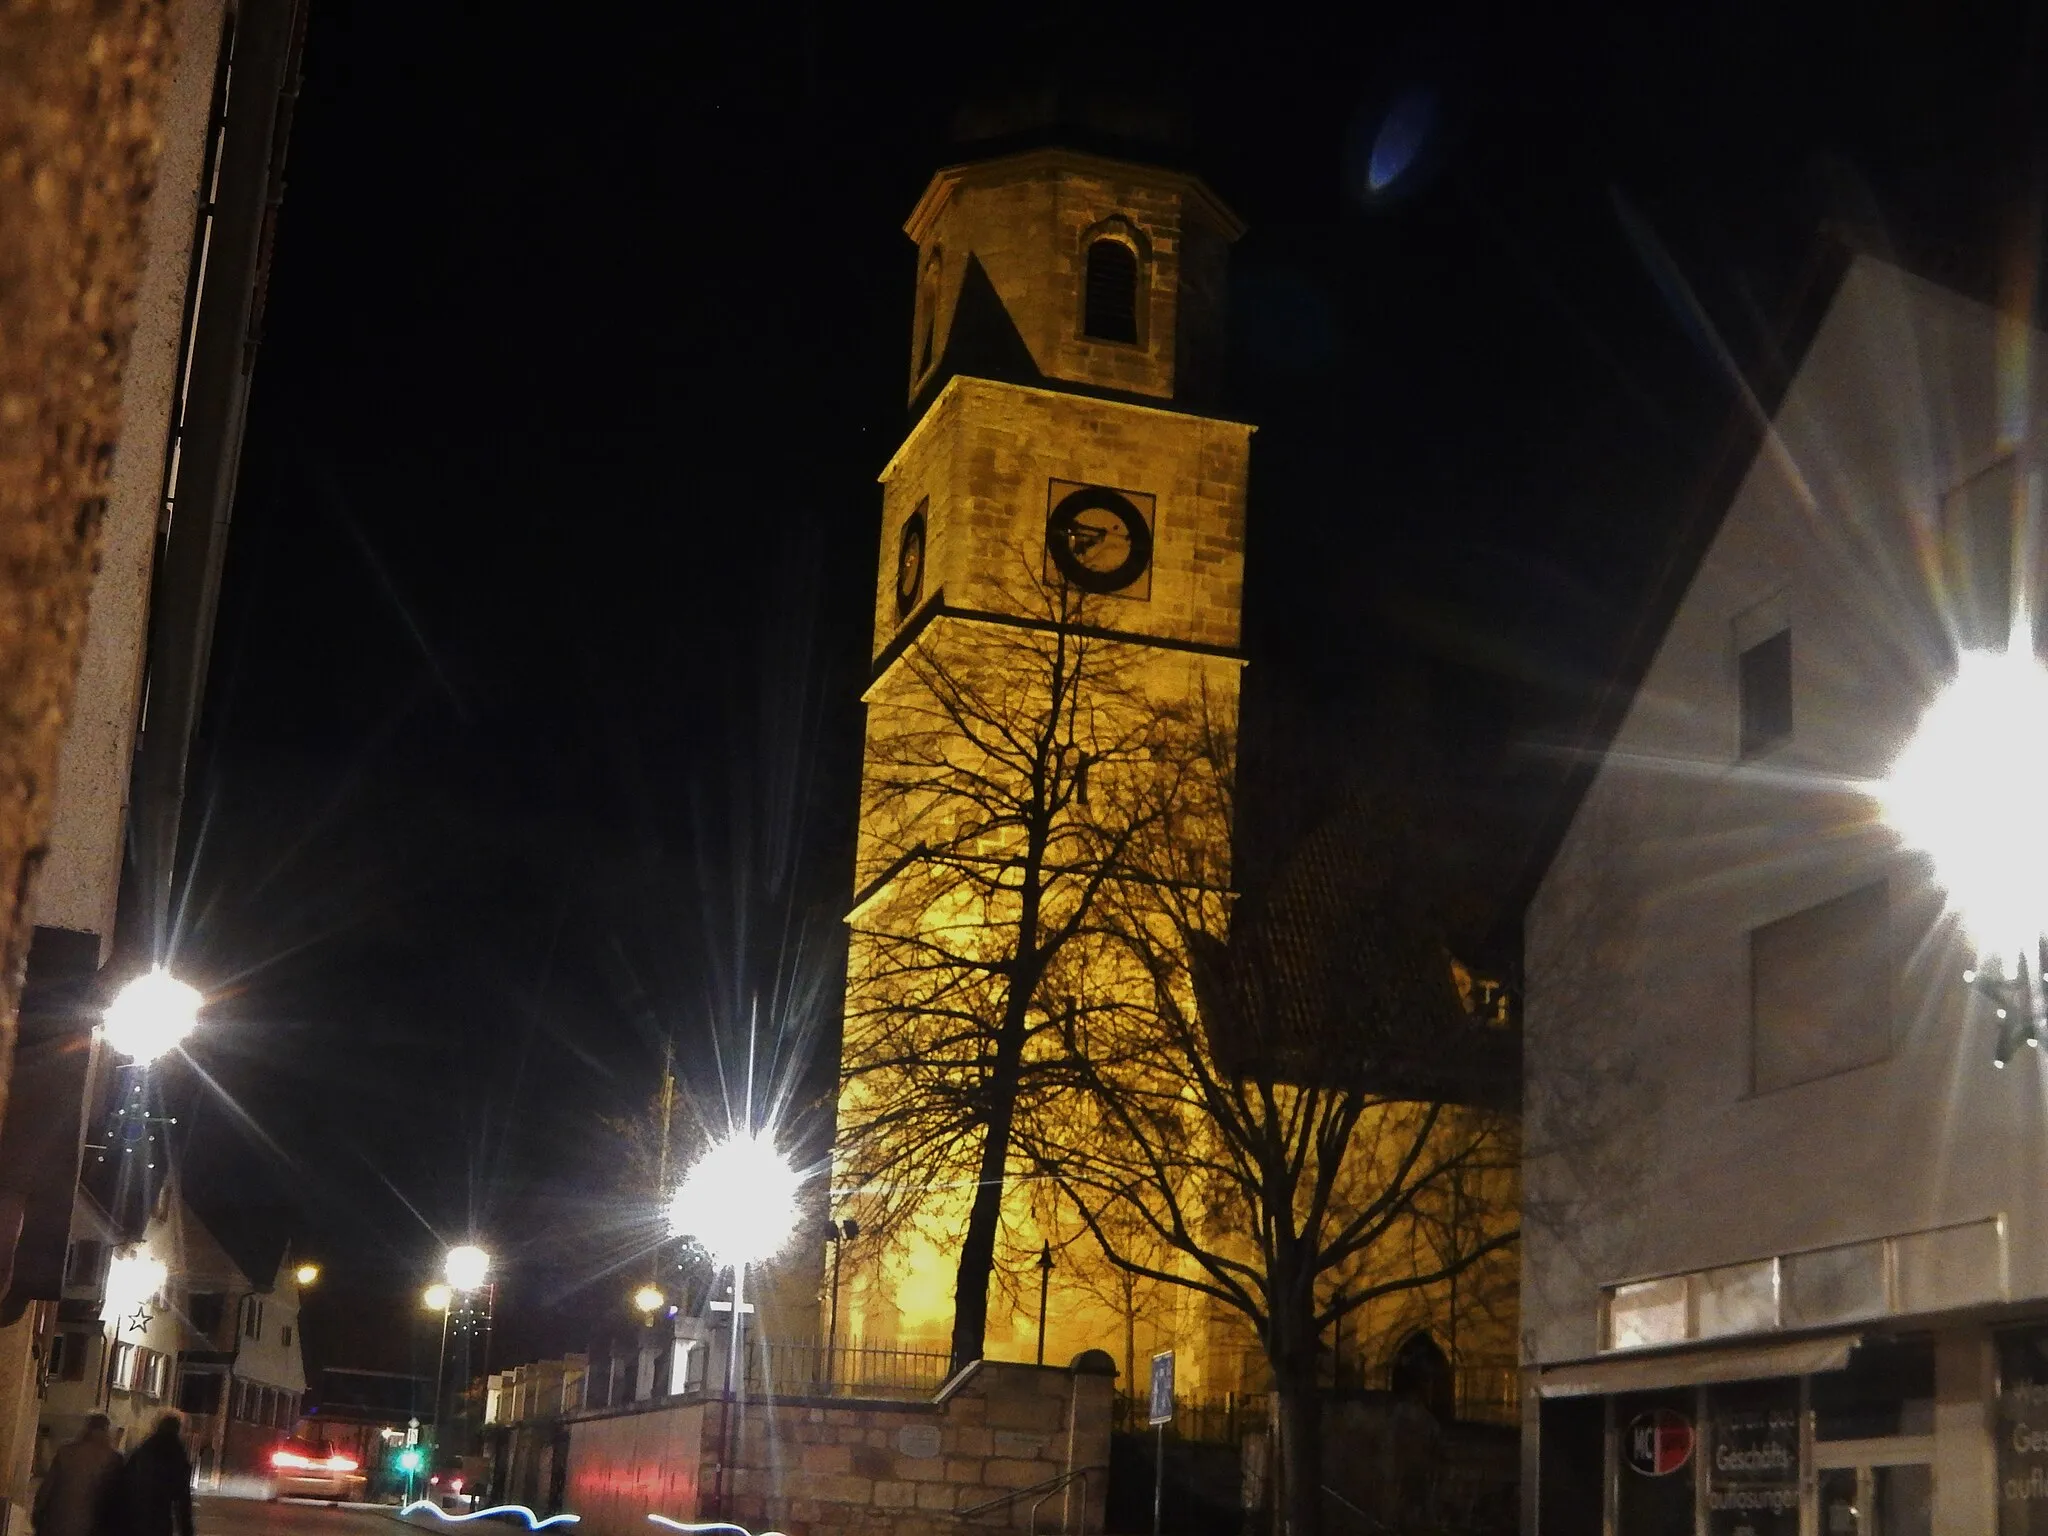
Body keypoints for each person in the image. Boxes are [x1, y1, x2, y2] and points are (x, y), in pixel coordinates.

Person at [31, 1415, 120, 1536]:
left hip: (55, 1527)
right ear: (107, 1432)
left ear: (87, 1428)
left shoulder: (66, 1452)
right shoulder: (114, 1460)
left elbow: (45, 1492)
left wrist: (38, 1519)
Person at [112, 1414, 193, 1536]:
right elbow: (182, 1497)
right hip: (159, 1519)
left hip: (135, 1516)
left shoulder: (143, 1449)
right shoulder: (177, 1454)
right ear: (177, 1430)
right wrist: (186, 1530)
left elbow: (125, 1482)